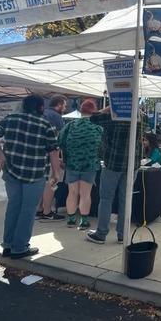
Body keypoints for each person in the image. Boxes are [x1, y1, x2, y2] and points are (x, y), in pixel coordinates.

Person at [0, 94, 61, 259]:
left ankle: (7, 245)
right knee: (27, 210)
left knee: (13, 207)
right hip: (35, 173)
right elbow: (53, 151)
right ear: (41, 107)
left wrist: (1, 156)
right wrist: (55, 172)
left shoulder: (11, 118)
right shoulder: (45, 124)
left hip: (11, 171)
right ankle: (19, 247)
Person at [85, 105, 147, 244]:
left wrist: (110, 106)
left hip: (112, 164)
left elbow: (94, 117)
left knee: (106, 199)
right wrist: (135, 107)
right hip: (131, 165)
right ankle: (122, 235)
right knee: (125, 200)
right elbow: (146, 118)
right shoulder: (141, 120)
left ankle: (101, 234)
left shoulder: (112, 118)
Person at [58, 98, 102, 230]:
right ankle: (83, 221)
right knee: (85, 193)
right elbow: (104, 145)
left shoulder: (70, 125)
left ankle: (71, 219)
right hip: (90, 165)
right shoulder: (98, 127)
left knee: (72, 192)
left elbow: (60, 142)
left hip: (72, 164)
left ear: (81, 111)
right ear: (93, 111)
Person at [36, 94, 68, 222]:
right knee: (51, 183)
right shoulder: (56, 117)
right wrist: (60, 158)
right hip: (51, 155)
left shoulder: (42, 113)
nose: (65, 109)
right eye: (64, 105)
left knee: (42, 183)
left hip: (39, 155)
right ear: (59, 104)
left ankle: (39, 210)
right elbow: (58, 140)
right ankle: (48, 212)